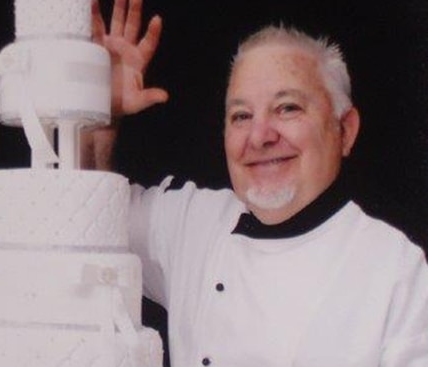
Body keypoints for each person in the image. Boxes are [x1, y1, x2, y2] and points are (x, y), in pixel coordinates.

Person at [91, 0, 428, 366]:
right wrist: (97, 115)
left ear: (344, 131)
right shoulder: (191, 222)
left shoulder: (396, 270)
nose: (260, 136)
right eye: (241, 115)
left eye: (287, 108)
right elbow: (88, 219)